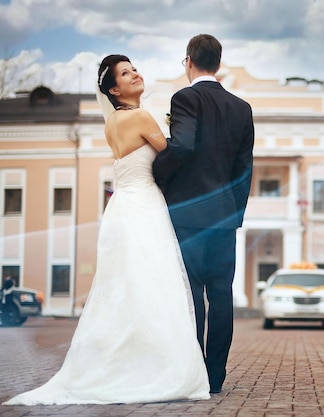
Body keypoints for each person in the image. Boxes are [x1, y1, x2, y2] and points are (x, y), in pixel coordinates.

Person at [3, 55, 211, 405]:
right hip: (144, 206)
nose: (135, 74)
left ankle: (129, 360)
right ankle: (157, 367)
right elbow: (171, 154)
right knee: (154, 283)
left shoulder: (112, 122)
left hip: (121, 209)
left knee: (126, 288)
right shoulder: (141, 117)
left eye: (134, 69)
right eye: (126, 73)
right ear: (114, 89)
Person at [152, 34, 254, 394]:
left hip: (189, 214)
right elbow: (245, 170)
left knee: (193, 293)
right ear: (219, 61)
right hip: (224, 217)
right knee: (222, 294)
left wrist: (156, 174)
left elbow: (182, 145)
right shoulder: (242, 108)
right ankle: (216, 377)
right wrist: (234, 214)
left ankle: (194, 371)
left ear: (189, 62)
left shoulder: (185, 98)